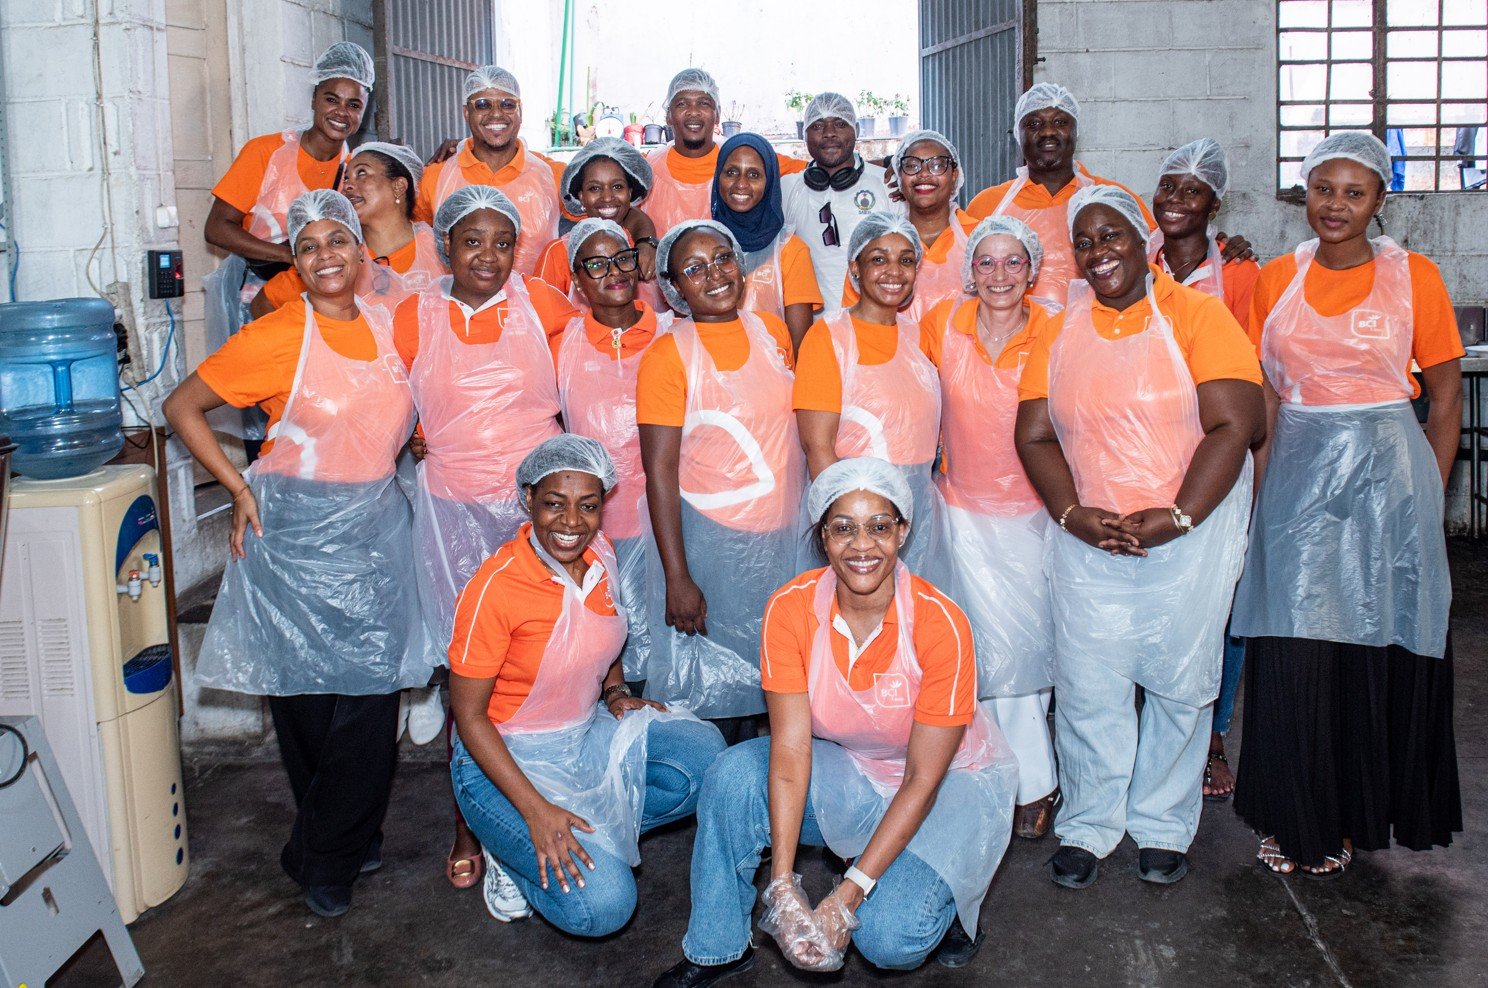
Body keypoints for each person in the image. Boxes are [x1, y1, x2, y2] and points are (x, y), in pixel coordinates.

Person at [651, 458, 1017, 987]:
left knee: (890, 937)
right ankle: (718, 946)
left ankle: (949, 898)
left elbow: (923, 778)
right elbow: (791, 750)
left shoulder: (941, 624)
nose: (862, 545)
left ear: (903, 532)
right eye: (843, 528)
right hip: (856, 766)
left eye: (879, 526)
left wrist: (847, 896)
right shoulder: (791, 609)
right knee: (734, 775)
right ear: (822, 537)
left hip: (946, 785)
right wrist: (782, 885)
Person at [163, 190, 429, 919]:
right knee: (306, 699)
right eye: (307, 247)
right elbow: (181, 406)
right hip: (292, 536)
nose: (324, 256)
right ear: (296, 264)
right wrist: (235, 487)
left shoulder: (393, 324)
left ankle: (322, 853)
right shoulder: (277, 334)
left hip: (373, 532)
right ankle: (345, 839)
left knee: (370, 696)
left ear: (361, 251)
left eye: (336, 240)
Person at [1014, 186, 1264, 889]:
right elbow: (1033, 434)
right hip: (1089, 540)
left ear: (1143, 239)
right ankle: (1090, 823)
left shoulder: (1198, 315)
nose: (1098, 252)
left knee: (1180, 685)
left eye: (1111, 235)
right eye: (1084, 241)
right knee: (1089, 683)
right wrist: (1072, 513)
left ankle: (1162, 824)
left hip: (1187, 538)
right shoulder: (1060, 330)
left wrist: (1178, 515)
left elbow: (1237, 424)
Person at [1231, 132, 1463, 877]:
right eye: (1323, 189)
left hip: (1389, 481)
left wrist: (1429, 496)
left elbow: (1446, 396)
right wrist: (1260, 492)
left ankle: (1355, 815)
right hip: (1299, 477)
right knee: (1296, 643)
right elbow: (1265, 395)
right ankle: (1296, 815)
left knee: (1373, 641)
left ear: (1379, 200)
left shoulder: (1415, 277)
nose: (1336, 205)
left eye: (1354, 193)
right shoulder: (1276, 278)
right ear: (1306, 194)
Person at [450, 435, 727, 932]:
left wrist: (616, 692)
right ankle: (510, 851)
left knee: (707, 757)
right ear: (529, 498)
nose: (572, 522)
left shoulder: (600, 556)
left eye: (588, 506)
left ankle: (584, 837)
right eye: (555, 503)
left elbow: (601, 629)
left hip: (580, 737)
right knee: (604, 906)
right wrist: (536, 812)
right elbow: (469, 718)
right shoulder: (496, 588)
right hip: (499, 760)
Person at [392, 184, 578, 893]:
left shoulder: (544, 305)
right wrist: (413, 433)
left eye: (503, 243)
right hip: (454, 520)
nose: (489, 257)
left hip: (540, 518)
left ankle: (548, 806)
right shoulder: (411, 315)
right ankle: (468, 821)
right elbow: (386, 394)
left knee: (547, 665)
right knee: (469, 673)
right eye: (472, 241)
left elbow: (594, 376)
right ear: (445, 245)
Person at [636, 219, 804, 744]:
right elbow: (658, 471)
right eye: (694, 269)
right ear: (674, 288)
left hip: (783, 544)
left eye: (722, 258)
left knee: (780, 691)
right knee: (720, 704)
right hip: (714, 548)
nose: (714, 275)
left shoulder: (773, 332)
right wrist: (678, 577)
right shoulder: (666, 356)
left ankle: (766, 790)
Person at [921, 215, 1060, 838]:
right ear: (968, 270)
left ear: (1032, 270)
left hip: (1037, 514)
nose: (999, 274)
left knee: (1029, 649)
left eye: (1013, 262)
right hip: (962, 514)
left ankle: (1030, 778)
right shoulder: (941, 324)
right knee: (981, 651)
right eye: (986, 261)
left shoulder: (1058, 328)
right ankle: (1007, 777)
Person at [1147, 137, 1262, 802]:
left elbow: (1257, 380)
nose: (1177, 201)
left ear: (1214, 203)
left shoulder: (1240, 275)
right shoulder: (1135, 266)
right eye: (1168, 187)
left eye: (1193, 191)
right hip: (1147, 456)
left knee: (1218, 605)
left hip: (1216, 457)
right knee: (1155, 603)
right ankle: (1154, 736)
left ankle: (1212, 736)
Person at [794, 211, 950, 588]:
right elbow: (818, 448)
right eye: (879, 259)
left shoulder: (919, 337)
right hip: (857, 519)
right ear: (855, 268)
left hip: (918, 515)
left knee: (910, 613)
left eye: (906, 260)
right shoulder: (828, 338)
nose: (894, 271)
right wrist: (851, 530)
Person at [552, 218, 673, 684]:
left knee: (670, 645)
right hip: (593, 530)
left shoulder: (673, 333)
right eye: (597, 265)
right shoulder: (561, 345)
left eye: (622, 259)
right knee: (609, 648)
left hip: (669, 524)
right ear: (577, 280)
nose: (615, 272)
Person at [965, 83, 1155, 310]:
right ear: (1018, 133)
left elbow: (1154, 266)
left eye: (1060, 122)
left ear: (1076, 131)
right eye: (1034, 124)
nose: (1048, 132)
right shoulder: (986, 205)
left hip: (1099, 329)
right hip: (1015, 332)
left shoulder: (1115, 201)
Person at [206, 42, 374, 271]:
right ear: (314, 99)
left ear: (363, 112)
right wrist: (291, 256)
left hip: (328, 286)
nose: (342, 112)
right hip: (260, 287)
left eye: (354, 105)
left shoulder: (354, 169)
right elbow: (217, 227)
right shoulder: (266, 152)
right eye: (331, 100)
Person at [250, 142, 445, 316]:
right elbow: (264, 303)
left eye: (362, 173)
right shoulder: (336, 255)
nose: (348, 186)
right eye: (347, 178)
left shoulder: (440, 250)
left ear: (398, 186)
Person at [415, 65, 563, 278]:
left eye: (507, 104)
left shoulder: (551, 176)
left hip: (538, 299)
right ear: (467, 112)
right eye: (483, 104)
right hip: (460, 300)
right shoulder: (436, 177)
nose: (496, 113)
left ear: (520, 111)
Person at [644, 68, 806, 233]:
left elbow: (810, 169)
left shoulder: (742, 156)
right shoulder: (647, 167)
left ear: (718, 115)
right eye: (682, 104)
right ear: (668, 115)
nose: (693, 112)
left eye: (704, 103)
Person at [841, 130, 976, 321]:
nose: (924, 174)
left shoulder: (980, 239)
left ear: (954, 175)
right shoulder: (874, 244)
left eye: (937, 165)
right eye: (912, 166)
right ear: (899, 176)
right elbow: (854, 325)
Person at [711, 131, 822, 350]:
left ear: (769, 181)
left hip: (775, 371)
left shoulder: (790, 250)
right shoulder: (701, 245)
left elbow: (799, 348)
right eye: (731, 172)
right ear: (717, 178)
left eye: (754, 174)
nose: (741, 184)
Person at [781, 92, 892, 307]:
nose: (829, 133)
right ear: (804, 135)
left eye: (840, 124)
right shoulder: (787, 188)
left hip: (870, 319)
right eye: (817, 125)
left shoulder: (888, 185)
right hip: (810, 322)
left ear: (856, 130)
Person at [536, 138, 663, 310]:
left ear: (629, 193)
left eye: (617, 187)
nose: (607, 197)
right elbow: (541, 314)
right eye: (594, 188)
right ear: (581, 197)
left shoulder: (644, 248)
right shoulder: (558, 253)